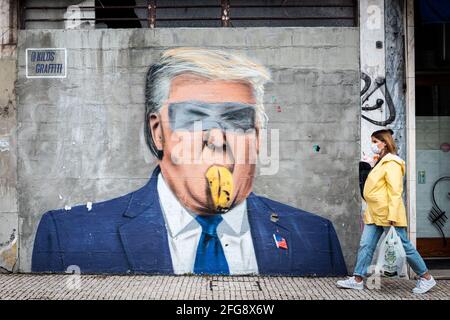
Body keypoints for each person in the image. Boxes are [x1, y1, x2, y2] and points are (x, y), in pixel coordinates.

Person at [32, 48, 347, 276]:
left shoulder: (316, 238)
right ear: (159, 133)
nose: (216, 139)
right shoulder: (67, 238)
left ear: (258, 138)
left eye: (236, 120)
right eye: (193, 118)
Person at [337, 129, 436, 294]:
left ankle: (426, 278)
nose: (373, 145)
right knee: (366, 245)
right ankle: (357, 279)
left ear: (385, 142)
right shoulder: (381, 161)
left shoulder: (392, 162)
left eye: (375, 141)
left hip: (388, 214)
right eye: (372, 141)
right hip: (374, 213)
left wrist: (392, 215)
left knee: (404, 246)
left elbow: (395, 191)